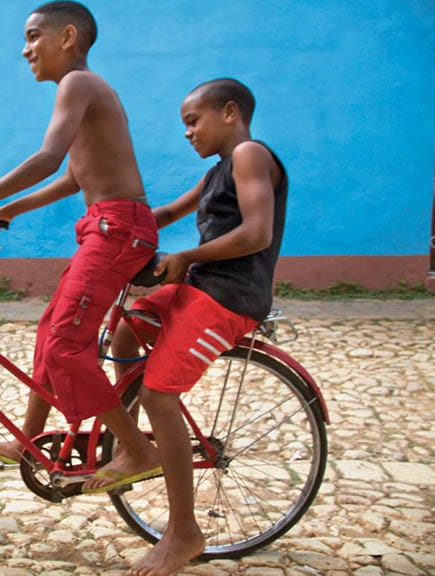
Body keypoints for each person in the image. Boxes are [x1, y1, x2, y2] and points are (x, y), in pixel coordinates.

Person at [0, 0, 165, 491]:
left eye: (34, 36)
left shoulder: (79, 83)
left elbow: (48, 158)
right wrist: (11, 209)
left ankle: (138, 450)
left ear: (68, 37)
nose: (25, 48)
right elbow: (75, 177)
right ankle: (30, 439)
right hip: (107, 226)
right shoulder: (79, 91)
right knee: (50, 329)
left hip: (118, 229)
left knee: (66, 346)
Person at [108, 78, 288, 576]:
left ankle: (184, 531)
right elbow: (167, 212)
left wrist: (185, 255)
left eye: (193, 120)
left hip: (230, 297)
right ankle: (133, 446)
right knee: (126, 327)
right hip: (199, 287)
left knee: (159, 396)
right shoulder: (216, 174)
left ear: (230, 112)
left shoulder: (250, 155)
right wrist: (113, 227)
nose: (187, 133)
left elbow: (257, 232)